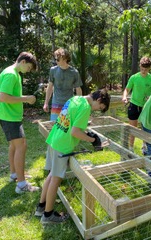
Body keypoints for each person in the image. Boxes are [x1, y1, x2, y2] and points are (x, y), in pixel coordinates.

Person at [35, 89, 110, 224]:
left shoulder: (76, 99)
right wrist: (93, 140)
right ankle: (48, 215)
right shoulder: (86, 107)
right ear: (99, 100)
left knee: (52, 175)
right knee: (56, 180)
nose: (96, 110)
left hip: (54, 138)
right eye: (100, 107)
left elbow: (69, 120)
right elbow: (75, 132)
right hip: (62, 146)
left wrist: (85, 129)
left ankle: (41, 208)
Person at [0, 51, 39, 194]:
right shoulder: (11, 74)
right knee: (22, 146)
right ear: (23, 62)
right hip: (9, 117)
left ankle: (15, 174)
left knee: (14, 147)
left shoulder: (11, 72)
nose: (28, 71)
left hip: (9, 116)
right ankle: (21, 185)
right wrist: (26, 98)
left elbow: (9, 95)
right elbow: (3, 97)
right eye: (29, 68)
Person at [43, 48, 83, 172]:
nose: (56, 61)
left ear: (65, 58)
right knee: (53, 133)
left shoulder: (74, 72)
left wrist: (80, 105)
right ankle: (50, 163)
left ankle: (65, 161)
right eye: (55, 59)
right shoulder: (53, 70)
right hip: (56, 104)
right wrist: (46, 103)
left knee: (66, 132)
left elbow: (78, 90)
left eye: (57, 59)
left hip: (69, 106)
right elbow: (50, 87)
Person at [122, 57, 151, 152]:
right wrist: (124, 97)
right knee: (132, 128)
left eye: (146, 69)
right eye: (142, 69)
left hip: (146, 106)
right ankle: (130, 148)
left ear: (150, 68)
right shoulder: (134, 77)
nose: (144, 71)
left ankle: (144, 146)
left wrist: (150, 98)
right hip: (134, 105)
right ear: (140, 66)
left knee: (145, 128)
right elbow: (127, 89)